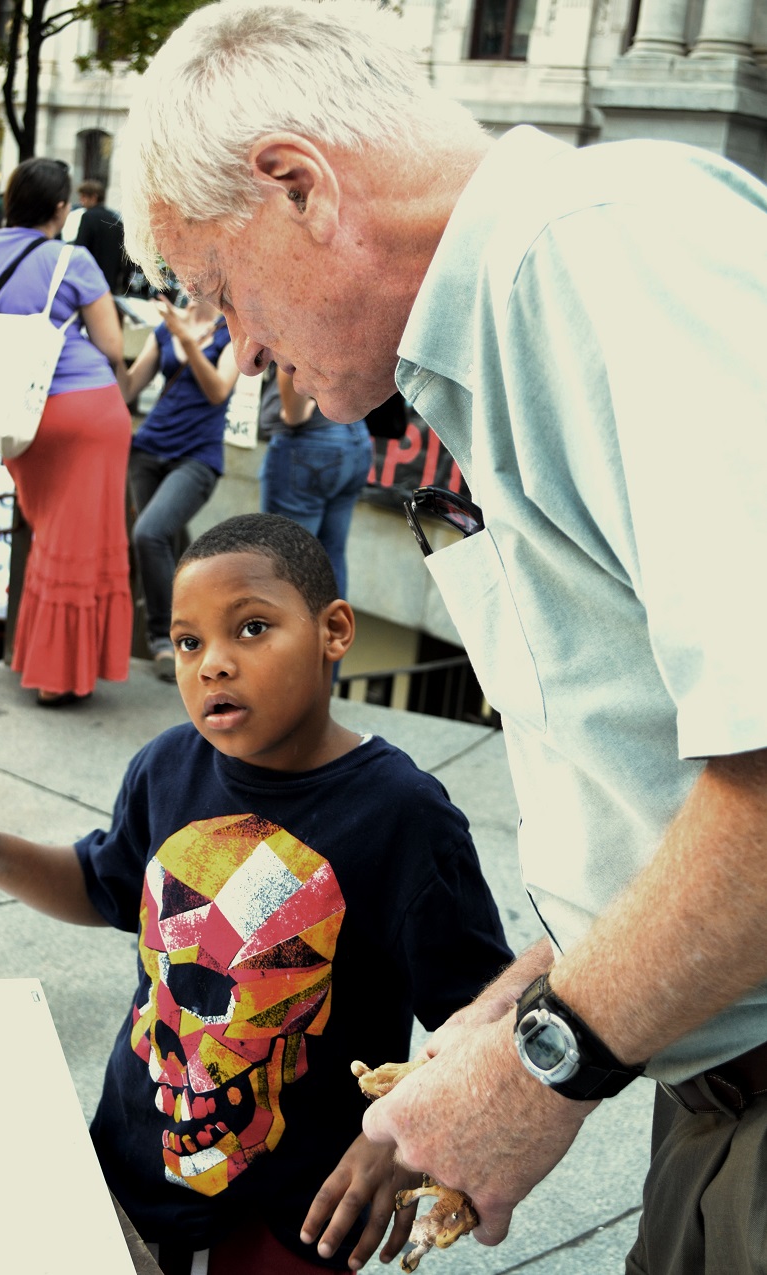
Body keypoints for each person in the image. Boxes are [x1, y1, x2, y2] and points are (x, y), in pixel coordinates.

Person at [115, 4, 767, 1273]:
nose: (241, 352)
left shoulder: (599, 258)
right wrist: (526, 998)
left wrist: (548, 1062)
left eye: (218, 291)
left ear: (297, 184)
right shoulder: (524, 309)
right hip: (709, 1084)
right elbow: (667, 775)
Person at [0, 511, 512, 1274]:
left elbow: (485, 1020)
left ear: (334, 630)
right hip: (129, 1166)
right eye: (190, 641)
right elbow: (102, 883)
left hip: (296, 1216)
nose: (213, 664)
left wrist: (401, 1137)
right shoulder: (166, 765)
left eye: (252, 628)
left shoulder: (404, 815)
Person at [0, 156, 133, 707]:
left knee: (53, 537)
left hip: (13, 414)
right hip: (86, 410)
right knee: (78, 544)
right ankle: (59, 677)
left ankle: (45, 660)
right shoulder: (71, 261)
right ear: (59, 208)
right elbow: (114, 346)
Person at [124, 294, 239, 680]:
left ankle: (162, 638)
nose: (189, 285)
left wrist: (187, 340)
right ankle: (193, 640)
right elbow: (127, 388)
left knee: (149, 534)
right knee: (170, 545)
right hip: (146, 450)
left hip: (197, 458)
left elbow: (219, 390)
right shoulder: (164, 329)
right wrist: (105, 336)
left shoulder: (231, 333)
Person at [260, 366, 372, 599]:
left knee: (288, 560)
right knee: (331, 553)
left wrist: (293, 414)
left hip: (311, 438)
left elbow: (291, 360)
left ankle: (296, 635)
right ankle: (334, 635)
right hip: (354, 437)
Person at [73, 178, 129, 296]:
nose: (81, 201)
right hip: (110, 282)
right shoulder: (116, 220)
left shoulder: (88, 217)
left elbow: (80, 248)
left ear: (93, 197)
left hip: (89, 280)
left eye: (83, 197)